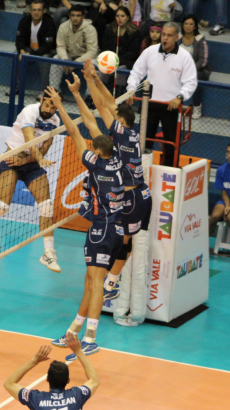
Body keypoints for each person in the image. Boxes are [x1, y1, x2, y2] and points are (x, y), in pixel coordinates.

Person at [48, 77, 124, 358]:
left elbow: (75, 133)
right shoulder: (118, 160)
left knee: (95, 284)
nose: (89, 150)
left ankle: (90, 337)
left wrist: (60, 106)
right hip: (114, 230)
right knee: (90, 282)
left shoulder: (96, 165)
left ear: (99, 153)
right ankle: (73, 332)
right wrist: (77, 95)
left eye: (94, 149)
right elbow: (92, 126)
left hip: (101, 230)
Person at [82, 59, 152, 326]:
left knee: (122, 238)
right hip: (142, 194)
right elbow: (111, 105)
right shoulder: (132, 133)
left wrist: (90, 79)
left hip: (128, 196)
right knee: (129, 240)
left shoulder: (120, 132)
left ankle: (110, 281)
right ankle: (112, 281)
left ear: (120, 122)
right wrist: (98, 79)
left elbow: (102, 106)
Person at [0, 95, 62, 273]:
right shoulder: (30, 111)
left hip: (31, 165)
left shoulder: (55, 120)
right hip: (12, 161)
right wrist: (35, 158)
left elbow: (46, 145)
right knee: (2, 206)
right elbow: (29, 138)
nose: (49, 110)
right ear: (42, 100)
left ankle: (48, 253)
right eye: (48, 104)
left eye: (53, 107)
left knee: (47, 207)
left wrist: (30, 159)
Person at [127, 22, 197, 167]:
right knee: (144, 142)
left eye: (169, 35)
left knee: (171, 144)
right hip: (149, 105)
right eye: (163, 34)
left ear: (177, 37)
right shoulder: (150, 51)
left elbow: (191, 82)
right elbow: (136, 72)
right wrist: (131, 89)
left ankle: (169, 174)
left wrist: (180, 97)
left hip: (170, 107)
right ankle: (141, 172)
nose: (165, 38)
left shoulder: (185, 57)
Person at [3, 335, 99, 410]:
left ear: (47, 379)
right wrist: (78, 351)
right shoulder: (78, 394)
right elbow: (94, 380)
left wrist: (34, 361)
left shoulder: (36, 398)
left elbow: (9, 383)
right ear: (68, 380)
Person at [49, 6, 98, 96]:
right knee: (56, 59)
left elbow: (92, 52)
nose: (75, 18)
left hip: (85, 59)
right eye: (73, 15)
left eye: (78, 15)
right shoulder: (63, 27)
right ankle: (54, 91)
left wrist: (76, 63)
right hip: (69, 56)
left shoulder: (90, 30)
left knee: (94, 65)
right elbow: (60, 46)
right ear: (69, 16)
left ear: (83, 17)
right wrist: (65, 60)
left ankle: (90, 96)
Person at [15, 0, 57, 100]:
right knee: (15, 55)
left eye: (39, 10)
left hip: (46, 50)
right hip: (29, 49)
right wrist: (21, 51)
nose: (36, 12)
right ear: (30, 10)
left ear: (44, 11)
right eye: (34, 10)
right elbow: (19, 40)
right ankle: (17, 87)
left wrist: (31, 53)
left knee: (45, 59)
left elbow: (48, 46)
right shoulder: (24, 21)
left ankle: (44, 91)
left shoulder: (49, 23)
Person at [99, 6, 142, 97]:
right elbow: (105, 47)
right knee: (100, 70)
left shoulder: (135, 32)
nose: (120, 18)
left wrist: (117, 61)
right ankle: (96, 97)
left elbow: (133, 53)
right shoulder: (109, 29)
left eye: (122, 16)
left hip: (126, 61)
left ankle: (117, 97)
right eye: (117, 16)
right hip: (110, 60)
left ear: (128, 17)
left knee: (121, 70)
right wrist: (111, 60)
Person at [178, 14, 211, 119]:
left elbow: (203, 60)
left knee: (196, 78)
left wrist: (189, 70)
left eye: (191, 24)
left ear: (195, 26)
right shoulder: (177, 38)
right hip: (179, 69)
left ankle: (197, 106)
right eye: (186, 23)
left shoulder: (200, 39)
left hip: (197, 70)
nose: (188, 26)